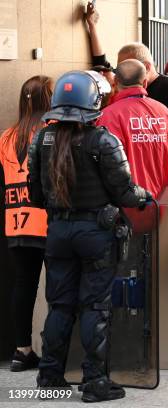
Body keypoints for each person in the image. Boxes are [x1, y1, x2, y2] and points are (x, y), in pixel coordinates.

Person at [28, 71, 152, 402]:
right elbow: (125, 192)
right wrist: (145, 195)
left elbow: (35, 196)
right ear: (93, 101)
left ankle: (50, 376)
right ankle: (94, 381)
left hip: (58, 232)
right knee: (95, 306)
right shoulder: (103, 140)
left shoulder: (42, 140)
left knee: (60, 305)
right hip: (96, 232)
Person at [0, 76, 52, 372]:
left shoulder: (6, 136)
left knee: (24, 285)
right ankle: (58, 351)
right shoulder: (50, 132)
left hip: (15, 220)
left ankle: (22, 350)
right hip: (45, 219)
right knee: (57, 287)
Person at [117, 43, 168, 185]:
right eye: (120, 69)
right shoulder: (127, 93)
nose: (123, 73)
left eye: (129, 67)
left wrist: (150, 141)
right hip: (141, 176)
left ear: (147, 67)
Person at [97, 59, 168, 198]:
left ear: (115, 81)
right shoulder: (165, 112)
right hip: (160, 202)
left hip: (124, 206)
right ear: (145, 82)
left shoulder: (109, 115)